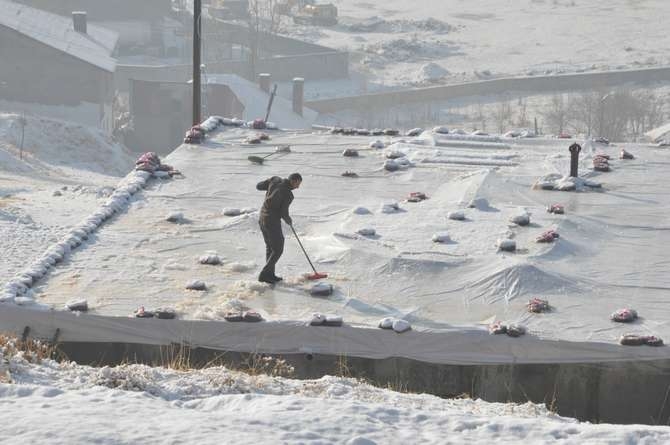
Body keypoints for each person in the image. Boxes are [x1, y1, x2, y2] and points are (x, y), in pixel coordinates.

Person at [256, 173, 302, 284]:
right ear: (293, 181)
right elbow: (283, 212)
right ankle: (264, 274)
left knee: (271, 248)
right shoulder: (288, 194)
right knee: (278, 249)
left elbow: (258, 186)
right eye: (298, 184)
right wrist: (289, 221)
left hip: (262, 218)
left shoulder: (275, 180)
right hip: (272, 221)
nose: (298, 187)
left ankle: (270, 275)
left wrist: (269, 183)